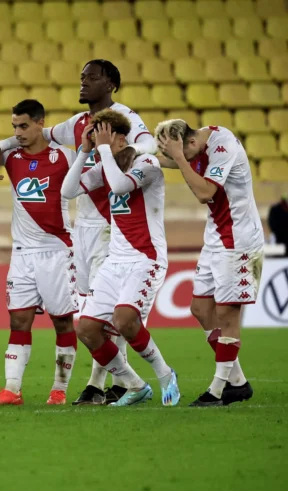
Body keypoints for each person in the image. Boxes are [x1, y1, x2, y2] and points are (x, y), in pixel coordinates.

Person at [0, 59, 158, 405]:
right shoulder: (76, 124)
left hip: (108, 226)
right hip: (80, 228)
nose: (83, 82)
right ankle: (86, 383)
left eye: (92, 77)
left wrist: (126, 152)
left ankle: (104, 382)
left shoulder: (123, 117)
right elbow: (35, 135)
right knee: (84, 310)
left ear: (111, 83)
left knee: (97, 314)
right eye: (82, 76)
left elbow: (148, 145)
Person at [61, 110, 180, 407]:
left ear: (121, 138)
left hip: (146, 259)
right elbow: (67, 191)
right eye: (95, 134)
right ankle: (135, 384)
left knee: (125, 320)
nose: (98, 140)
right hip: (115, 261)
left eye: (104, 134)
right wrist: (84, 152)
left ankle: (165, 374)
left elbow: (120, 186)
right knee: (87, 330)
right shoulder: (105, 166)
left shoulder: (148, 164)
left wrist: (102, 150)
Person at [156, 120, 261, 407]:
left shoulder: (222, 145)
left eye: (183, 154)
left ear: (189, 143)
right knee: (201, 308)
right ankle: (238, 382)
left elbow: (205, 194)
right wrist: (144, 156)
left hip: (239, 239)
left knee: (227, 314)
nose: (182, 161)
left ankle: (217, 391)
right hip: (216, 236)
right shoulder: (195, 143)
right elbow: (176, 160)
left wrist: (178, 157)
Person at [0, 100, 79, 406]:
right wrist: (5, 142)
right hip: (22, 254)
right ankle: (12, 389)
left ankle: (59, 390)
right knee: (18, 321)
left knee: (62, 323)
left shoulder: (64, 155)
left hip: (56, 251)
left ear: (40, 123)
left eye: (24, 125)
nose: (18, 132)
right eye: (14, 127)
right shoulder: (10, 157)